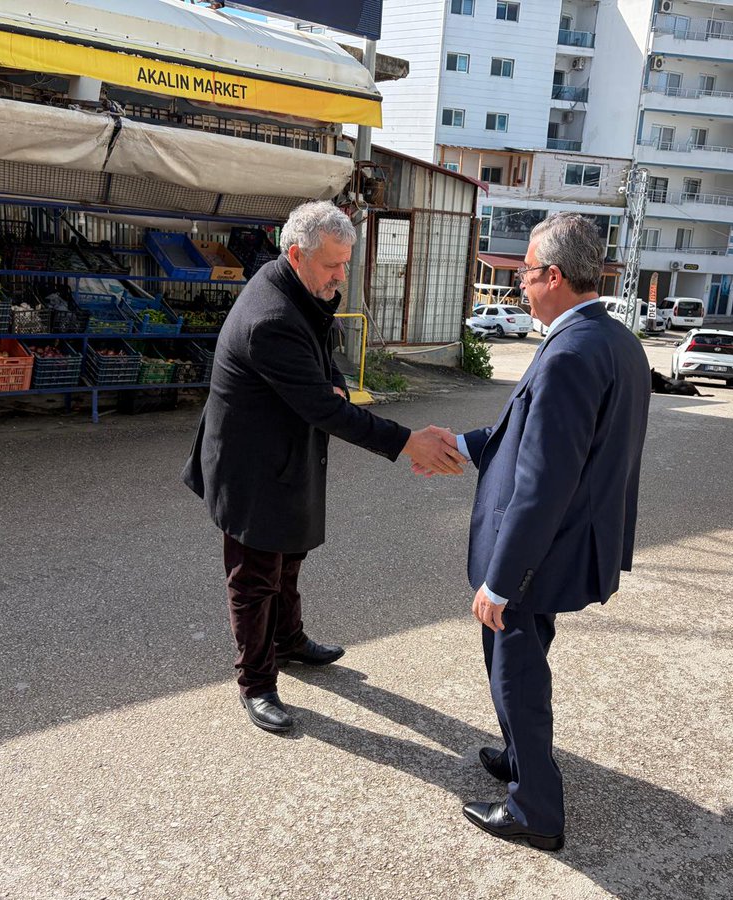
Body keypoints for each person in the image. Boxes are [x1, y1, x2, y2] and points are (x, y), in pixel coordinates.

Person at [183, 200, 466, 734]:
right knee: (255, 575)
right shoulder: (270, 317)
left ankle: (288, 641)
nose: (342, 276)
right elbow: (324, 408)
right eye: (334, 264)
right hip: (252, 465)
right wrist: (408, 442)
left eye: (346, 262)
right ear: (296, 254)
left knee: (289, 554)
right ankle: (256, 682)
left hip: (284, 451)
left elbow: (322, 343)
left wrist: (331, 375)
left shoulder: (297, 284)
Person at [453, 213, 650, 850]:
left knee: (516, 672)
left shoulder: (568, 353)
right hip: (572, 541)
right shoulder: (614, 340)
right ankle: (518, 756)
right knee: (525, 659)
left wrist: (501, 581)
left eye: (527, 276)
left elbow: (542, 483)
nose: (521, 289)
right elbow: (534, 438)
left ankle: (535, 808)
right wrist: (458, 444)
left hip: (539, 551)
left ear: (555, 276)